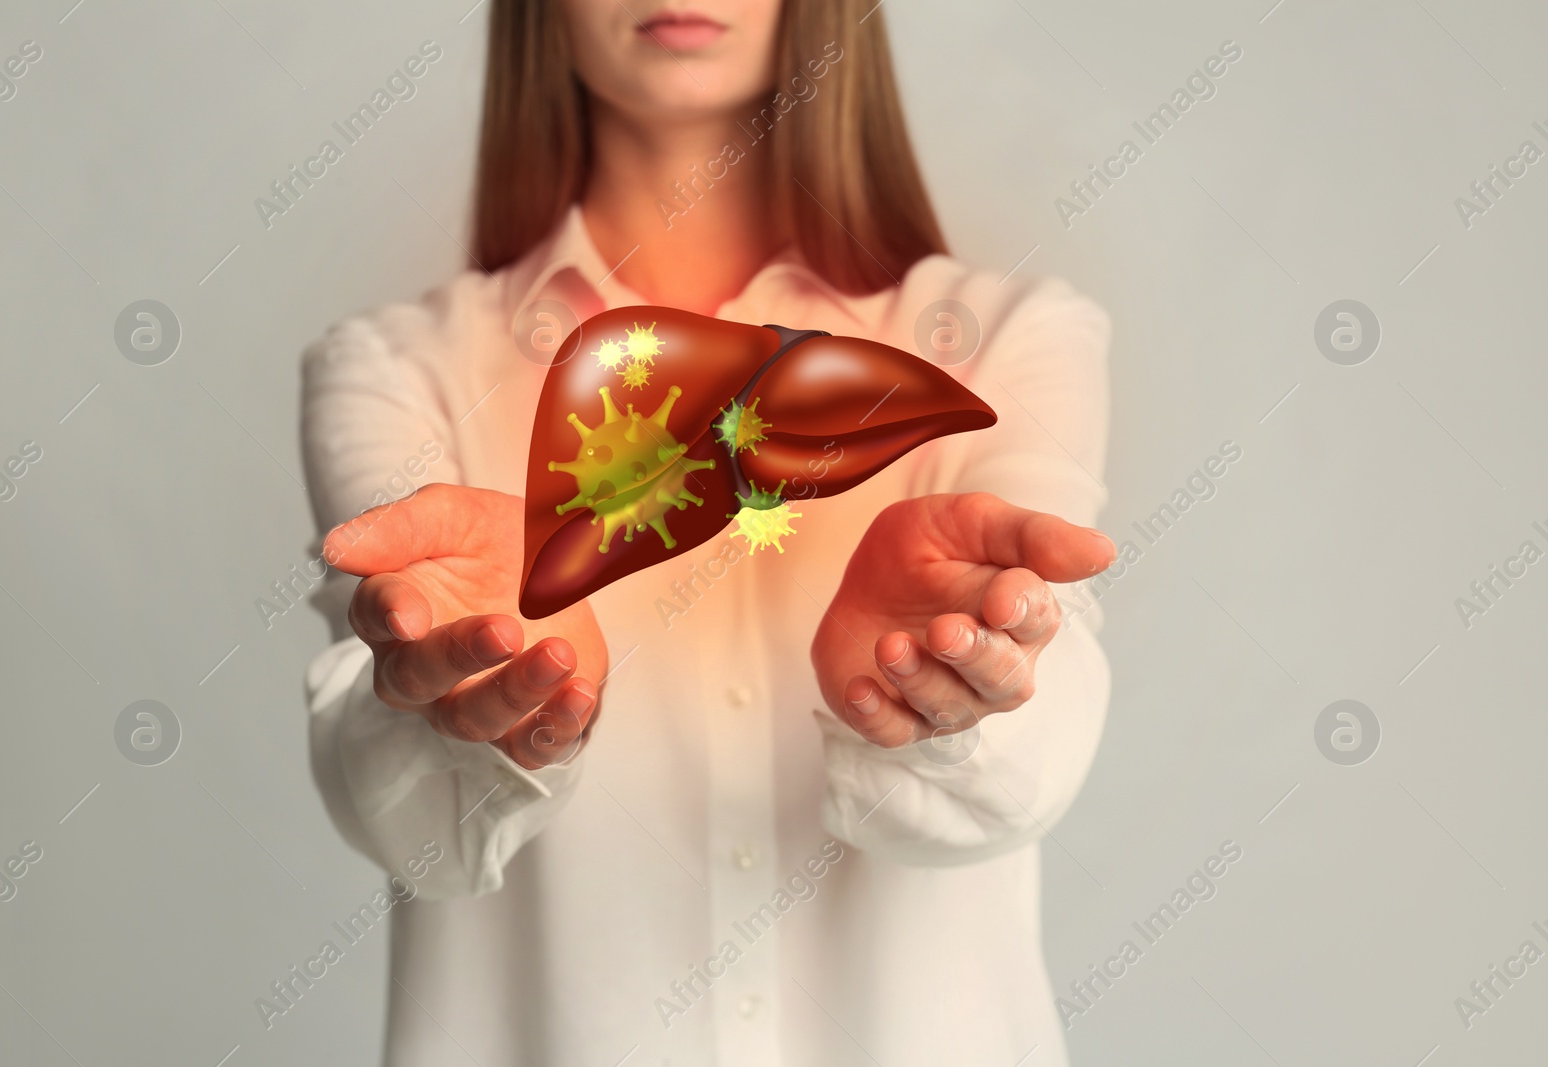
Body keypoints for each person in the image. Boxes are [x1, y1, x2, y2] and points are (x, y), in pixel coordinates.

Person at [300, 1, 1115, 1063]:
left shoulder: (1011, 339)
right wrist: (483, 696)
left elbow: (1027, 773)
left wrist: (936, 689)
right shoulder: (393, 371)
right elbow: (409, 825)